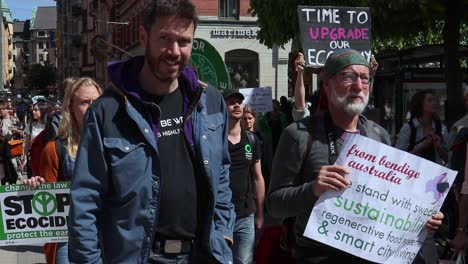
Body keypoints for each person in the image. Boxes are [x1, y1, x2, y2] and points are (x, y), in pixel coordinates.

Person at [68, 1, 235, 263]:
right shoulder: (107, 111)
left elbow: (222, 173)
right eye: (165, 39)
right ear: (144, 37)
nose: (174, 51)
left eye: (184, 41)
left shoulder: (210, 102)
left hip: (204, 254)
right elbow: (85, 204)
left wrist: (224, 233)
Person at [266, 49, 444, 263]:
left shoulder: (379, 135)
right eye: (348, 77)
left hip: (370, 255)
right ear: (327, 85)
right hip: (317, 256)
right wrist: (313, 189)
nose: (358, 86)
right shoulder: (300, 135)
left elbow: (390, 201)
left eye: (364, 78)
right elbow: (275, 205)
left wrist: (419, 218)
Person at [23, 77, 103, 264]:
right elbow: (46, 204)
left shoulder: (115, 144)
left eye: (96, 102)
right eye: (84, 102)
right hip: (69, 238)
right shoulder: (54, 149)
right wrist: (35, 188)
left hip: (107, 234)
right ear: (71, 108)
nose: (92, 107)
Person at [224, 90, 265, 264]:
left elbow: (258, 178)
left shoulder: (251, 140)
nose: (236, 105)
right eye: (231, 102)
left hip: (245, 215)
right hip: (220, 217)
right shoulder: (213, 139)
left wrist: (260, 213)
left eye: (239, 102)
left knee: (244, 261)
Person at [395, 90, 448, 165]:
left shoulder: (441, 128)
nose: (434, 103)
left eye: (434, 100)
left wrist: (439, 147)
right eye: (430, 100)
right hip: (413, 172)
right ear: (420, 105)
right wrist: (421, 147)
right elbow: (398, 157)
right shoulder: (408, 128)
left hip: (435, 173)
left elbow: (448, 159)